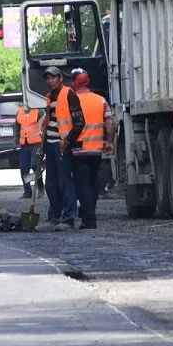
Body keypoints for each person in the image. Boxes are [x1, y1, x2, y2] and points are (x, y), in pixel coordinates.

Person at [65, 70, 115, 230]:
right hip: (96, 150)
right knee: (93, 183)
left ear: (74, 84)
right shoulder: (100, 100)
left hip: (78, 149)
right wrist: (109, 142)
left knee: (83, 185)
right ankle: (89, 213)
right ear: (87, 82)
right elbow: (110, 123)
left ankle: (89, 219)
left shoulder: (71, 101)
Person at [38, 66, 79, 230]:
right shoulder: (49, 97)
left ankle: (68, 218)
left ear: (60, 78)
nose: (50, 81)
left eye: (53, 77)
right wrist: (42, 147)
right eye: (48, 78)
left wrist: (67, 141)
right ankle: (54, 216)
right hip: (50, 144)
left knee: (65, 182)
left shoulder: (69, 94)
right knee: (51, 183)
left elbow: (79, 122)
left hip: (62, 145)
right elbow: (48, 122)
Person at [14, 100, 43, 199]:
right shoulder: (19, 111)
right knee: (23, 168)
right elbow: (17, 127)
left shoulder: (38, 111)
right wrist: (15, 140)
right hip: (24, 144)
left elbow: (44, 124)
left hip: (36, 142)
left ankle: (40, 186)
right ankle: (27, 191)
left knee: (35, 165)